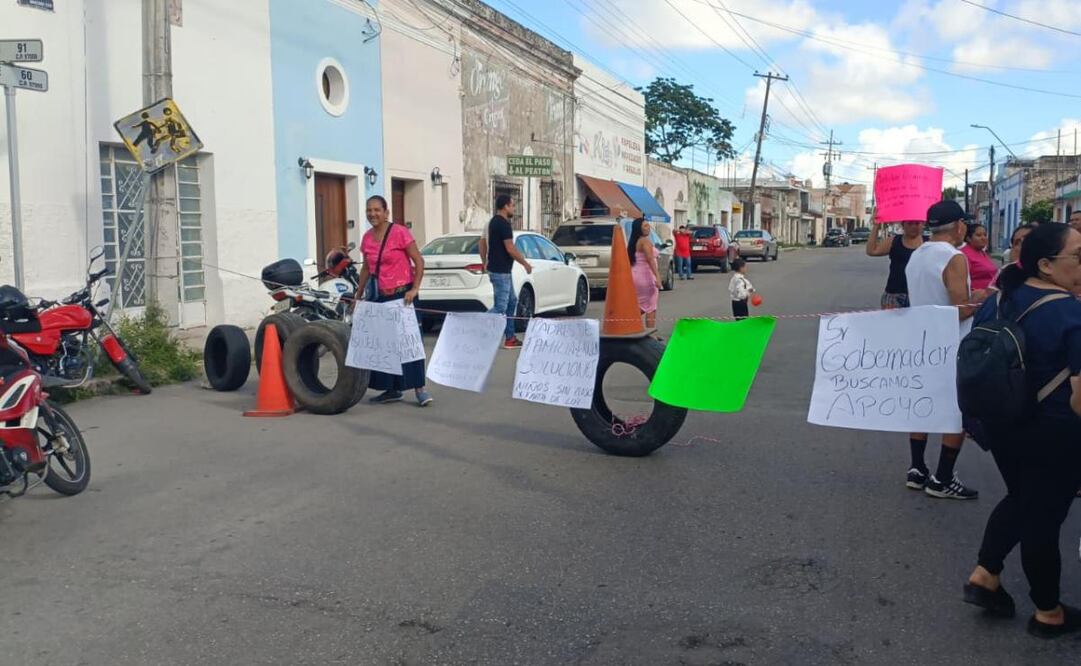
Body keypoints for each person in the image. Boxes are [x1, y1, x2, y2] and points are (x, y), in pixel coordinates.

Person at [963, 223, 1081, 638]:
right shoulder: (1071, 313)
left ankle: (986, 575)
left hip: (1003, 427)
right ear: (1046, 265)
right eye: (1079, 256)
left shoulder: (1000, 298)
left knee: (1023, 499)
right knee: (1043, 520)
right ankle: (1048, 611)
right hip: (1055, 436)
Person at [905, 200, 989, 499]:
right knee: (957, 409)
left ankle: (917, 469)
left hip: (922, 339)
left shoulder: (917, 255)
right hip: (951, 342)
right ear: (959, 226)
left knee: (923, 403)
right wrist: (984, 296)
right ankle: (942, 479)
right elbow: (960, 309)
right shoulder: (954, 257)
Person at [355, 195, 433, 407]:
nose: (373, 214)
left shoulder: (400, 232)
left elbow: (418, 260)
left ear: (386, 212)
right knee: (384, 345)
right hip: (380, 296)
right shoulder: (367, 238)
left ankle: (420, 389)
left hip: (402, 295)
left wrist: (415, 288)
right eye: (369, 210)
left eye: (377, 210)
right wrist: (358, 294)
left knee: (409, 344)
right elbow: (366, 268)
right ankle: (392, 389)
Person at [481, 195, 532, 349]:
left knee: (512, 302)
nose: (514, 209)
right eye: (512, 205)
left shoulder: (490, 223)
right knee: (500, 307)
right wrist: (525, 263)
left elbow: (481, 242)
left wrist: (484, 262)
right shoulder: (503, 224)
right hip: (500, 271)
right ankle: (474, 327)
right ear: (505, 206)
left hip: (500, 270)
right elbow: (510, 248)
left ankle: (510, 337)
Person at [866, 220, 924, 309]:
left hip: (921, 295)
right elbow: (872, 251)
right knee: (892, 323)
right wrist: (876, 225)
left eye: (917, 223)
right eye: (910, 223)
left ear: (922, 224)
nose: (913, 226)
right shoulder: (894, 241)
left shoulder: (929, 243)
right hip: (894, 296)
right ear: (903, 225)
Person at [627, 217, 662, 331]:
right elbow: (650, 259)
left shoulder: (634, 242)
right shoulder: (645, 242)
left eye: (648, 225)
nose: (649, 228)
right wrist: (657, 276)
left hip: (635, 276)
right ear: (639, 229)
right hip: (646, 277)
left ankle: (628, 326)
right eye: (645, 226)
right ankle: (651, 334)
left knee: (640, 305)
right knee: (651, 307)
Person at [961, 223, 998, 291]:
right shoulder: (964, 254)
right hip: (976, 297)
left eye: (985, 235)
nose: (983, 238)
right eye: (978, 235)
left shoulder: (982, 252)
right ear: (968, 238)